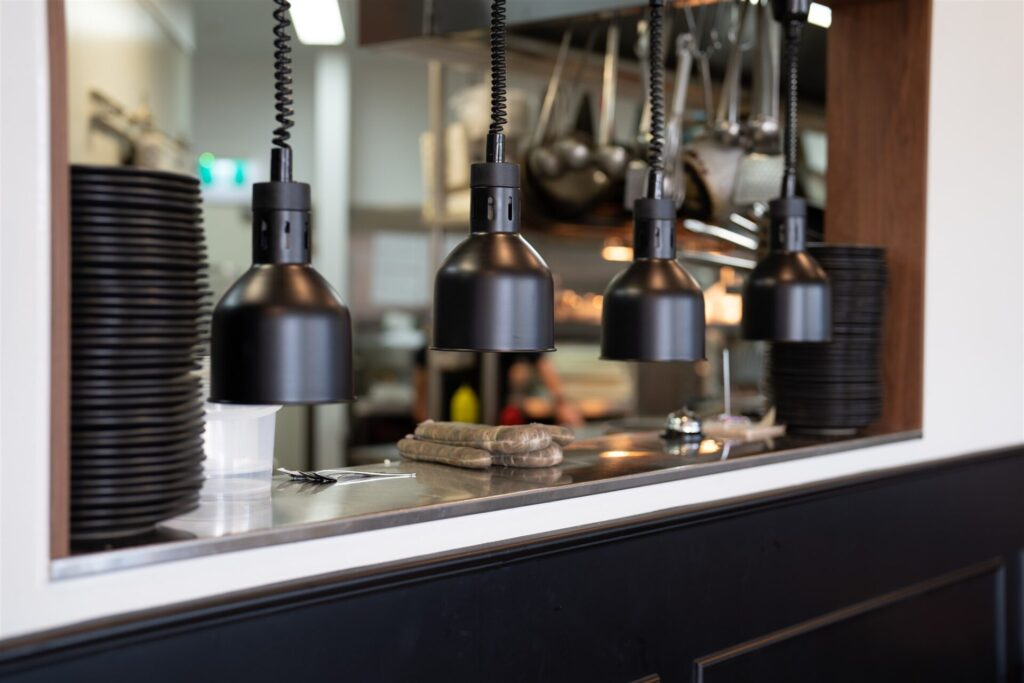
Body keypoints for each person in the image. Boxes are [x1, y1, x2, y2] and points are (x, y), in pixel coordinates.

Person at [412, 349, 583, 427]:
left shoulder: (503, 327)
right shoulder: (448, 325)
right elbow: (423, 364)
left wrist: (562, 403)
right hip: (445, 418)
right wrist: (421, 403)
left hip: (493, 419)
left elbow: (541, 363)